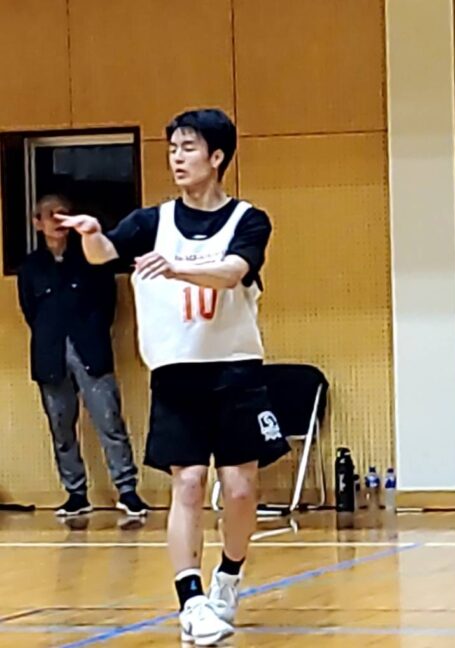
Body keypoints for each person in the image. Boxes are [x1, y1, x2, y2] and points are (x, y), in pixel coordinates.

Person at [60, 108, 289, 646]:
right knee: (187, 482)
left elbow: (233, 273)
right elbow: (104, 254)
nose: (178, 158)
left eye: (189, 148)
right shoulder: (150, 222)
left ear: (217, 156)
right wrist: (91, 235)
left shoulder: (248, 220)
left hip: (235, 369)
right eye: (172, 149)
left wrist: (176, 267)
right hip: (175, 372)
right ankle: (191, 600)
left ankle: (228, 576)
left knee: (241, 488)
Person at [17, 195, 148, 518]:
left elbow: (108, 304)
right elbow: (30, 311)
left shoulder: (91, 258)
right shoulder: (31, 267)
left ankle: (127, 490)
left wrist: (90, 331)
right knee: (61, 427)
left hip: (90, 349)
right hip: (50, 354)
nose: (58, 220)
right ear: (37, 223)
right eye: (50, 215)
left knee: (109, 420)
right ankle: (76, 493)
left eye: (64, 214)